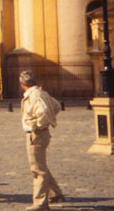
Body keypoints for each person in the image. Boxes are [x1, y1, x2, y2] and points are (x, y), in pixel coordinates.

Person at [20, 71, 65, 211]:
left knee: (38, 170)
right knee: (41, 166)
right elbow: (56, 106)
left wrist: (37, 125)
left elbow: (44, 112)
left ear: (22, 84)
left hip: (36, 134)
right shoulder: (41, 93)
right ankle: (56, 193)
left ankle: (40, 203)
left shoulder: (35, 95)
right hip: (41, 134)